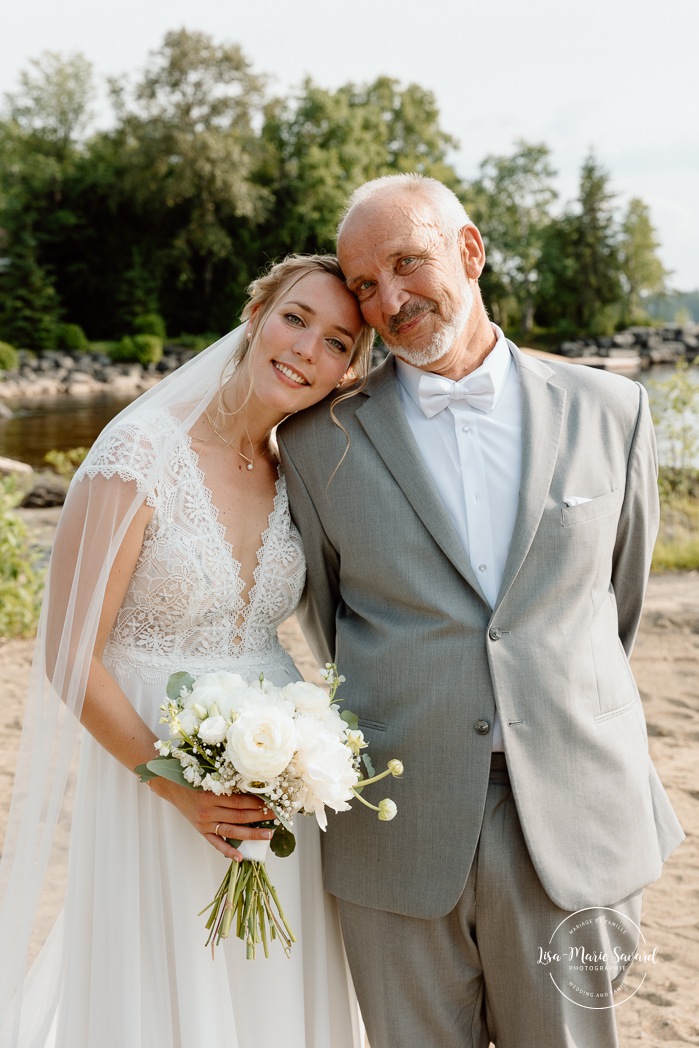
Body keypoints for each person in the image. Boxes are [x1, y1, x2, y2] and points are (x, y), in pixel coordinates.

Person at [277, 174, 685, 1048]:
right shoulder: (317, 443)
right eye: (362, 284)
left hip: (574, 819)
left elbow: (614, 607)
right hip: (397, 822)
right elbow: (327, 619)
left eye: (406, 262)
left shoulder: (612, 409)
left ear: (468, 252)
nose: (388, 299)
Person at [0, 254, 374, 1048]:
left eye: (339, 343)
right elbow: (68, 653)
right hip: (156, 779)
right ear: (254, 316)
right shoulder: (139, 453)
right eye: (296, 318)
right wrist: (175, 787)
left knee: (272, 987)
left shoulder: (293, 472)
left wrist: (305, 751)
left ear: (349, 371)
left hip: (276, 782)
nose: (308, 349)